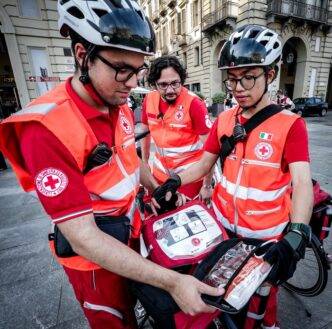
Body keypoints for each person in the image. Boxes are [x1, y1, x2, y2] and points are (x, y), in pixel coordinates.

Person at [0, 1, 223, 328]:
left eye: (138, 70)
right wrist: (173, 282)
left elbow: (129, 158)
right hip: (95, 264)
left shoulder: (115, 101)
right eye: (122, 68)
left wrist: (159, 188)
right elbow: (83, 237)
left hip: (132, 234)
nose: (132, 82)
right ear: (82, 54)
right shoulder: (45, 129)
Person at [153, 24, 313, 329]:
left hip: (266, 236)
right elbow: (202, 164)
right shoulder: (225, 119)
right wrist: (173, 180)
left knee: (263, 293)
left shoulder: (291, 125)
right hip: (224, 228)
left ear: (270, 74)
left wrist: (296, 233)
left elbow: (302, 182)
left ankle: (269, 323)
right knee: (224, 295)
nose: (238, 88)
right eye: (233, 79)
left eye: (249, 78)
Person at [141, 55, 214, 201]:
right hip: (159, 176)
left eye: (175, 83)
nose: (170, 90)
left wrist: (206, 185)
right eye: (163, 85)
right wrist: (144, 163)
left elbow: (211, 150)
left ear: (182, 80)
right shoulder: (149, 99)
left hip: (189, 179)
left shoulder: (194, 104)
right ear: (154, 84)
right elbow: (144, 133)